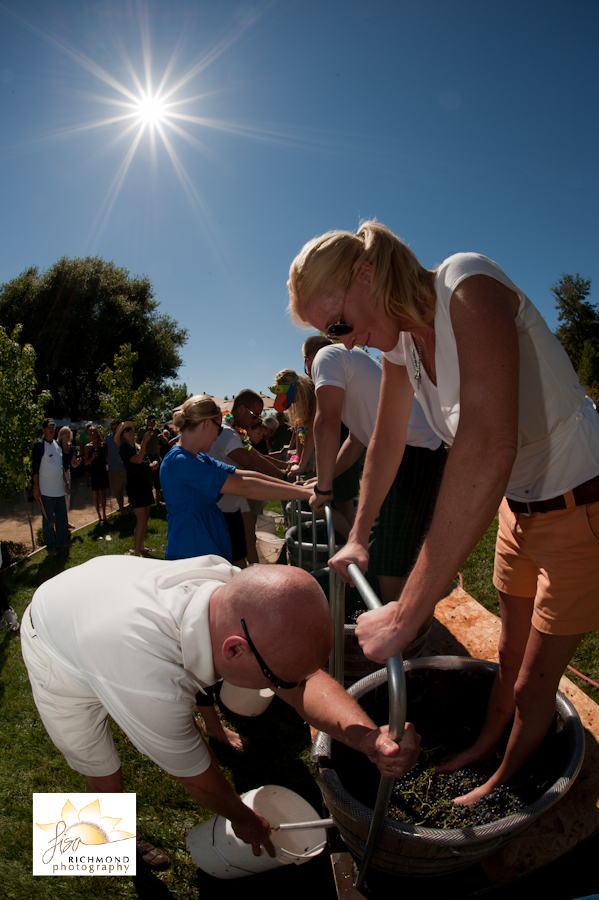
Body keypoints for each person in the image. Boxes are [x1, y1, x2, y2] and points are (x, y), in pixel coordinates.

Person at [287, 221, 599, 806]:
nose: (344, 343)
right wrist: (358, 537)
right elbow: (386, 442)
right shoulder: (405, 342)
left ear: (365, 273)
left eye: (336, 325)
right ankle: (486, 744)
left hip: (582, 510)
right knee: (506, 657)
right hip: (521, 514)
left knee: (534, 686)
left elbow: (488, 443)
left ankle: (502, 782)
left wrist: (408, 612)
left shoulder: (465, 282)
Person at [20, 557, 420, 866]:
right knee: (102, 770)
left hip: (98, 591)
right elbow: (194, 776)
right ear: (233, 649)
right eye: (278, 680)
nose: (285, 690)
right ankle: (99, 851)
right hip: (53, 638)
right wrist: (244, 819)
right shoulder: (146, 676)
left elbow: (302, 682)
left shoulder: (230, 584)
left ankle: (107, 844)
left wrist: (366, 736)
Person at [160, 395, 316, 745]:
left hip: (206, 544)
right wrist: (302, 495)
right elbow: (243, 485)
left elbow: (244, 474)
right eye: (218, 424)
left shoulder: (195, 458)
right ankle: (212, 725)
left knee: (212, 628)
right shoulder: (180, 461)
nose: (222, 431)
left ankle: (223, 689)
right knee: (196, 639)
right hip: (192, 552)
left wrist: (295, 488)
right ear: (205, 424)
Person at [303, 334, 446, 604]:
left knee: (390, 553)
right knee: (394, 545)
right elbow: (354, 441)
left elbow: (326, 422)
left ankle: (396, 628)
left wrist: (322, 490)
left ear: (308, 361)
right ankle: (402, 613)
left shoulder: (325, 356)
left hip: (411, 450)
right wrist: (324, 478)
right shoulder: (352, 365)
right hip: (416, 450)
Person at [116, 421, 158, 557]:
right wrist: (145, 442)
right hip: (136, 486)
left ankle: (141, 546)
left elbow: (144, 463)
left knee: (145, 519)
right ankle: (137, 551)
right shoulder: (124, 448)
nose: (130, 431)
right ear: (122, 435)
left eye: (130, 429)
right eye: (126, 430)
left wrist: (153, 465)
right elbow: (138, 460)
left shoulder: (137, 446)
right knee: (141, 520)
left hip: (145, 484)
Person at [31, 418, 70, 556]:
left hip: (59, 490)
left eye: (53, 427)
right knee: (48, 520)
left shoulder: (57, 445)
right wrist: (37, 488)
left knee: (61, 518)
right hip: (46, 491)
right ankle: (50, 546)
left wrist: (65, 483)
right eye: (49, 427)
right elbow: (35, 469)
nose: (52, 430)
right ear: (44, 430)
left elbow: (61, 467)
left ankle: (61, 541)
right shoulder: (40, 446)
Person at [84, 426, 109, 524]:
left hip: (102, 470)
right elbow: (86, 462)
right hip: (94, 471)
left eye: (92, 433)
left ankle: (104, 514)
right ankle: (98, 515)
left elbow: (106, 458)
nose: (90, 435)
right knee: (95, 493)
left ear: (97, 433)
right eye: (89, 433)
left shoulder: (103, 445)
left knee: (103, 493)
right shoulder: (88, 447)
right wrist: (92, 458)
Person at [57, 426, 81, 530]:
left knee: (67, 498)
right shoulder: (57, 446)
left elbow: (73, 464)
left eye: (68, 433)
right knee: (59, 498)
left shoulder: (71, 447)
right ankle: (59, 522)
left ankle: (65, 521)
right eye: (65, 433)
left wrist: (78, 462)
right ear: (61, 435)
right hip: (58, 475)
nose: (67, 435)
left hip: (67, 472)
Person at [137, 414, 162, 502]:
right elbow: (137, 443)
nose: (153, 423)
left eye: (154, 421)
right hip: (146, 457)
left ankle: (158, 500)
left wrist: (162, 437)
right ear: (147, 421)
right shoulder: (141, 431)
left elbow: (164, 442)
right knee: (148, 479)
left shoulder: (157, 431)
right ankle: (149, 499)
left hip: (155, 456)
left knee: (157, 479)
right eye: (151, 421)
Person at [105, 419, 127, 516]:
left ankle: (133, 508)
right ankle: (121, 510)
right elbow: (105, 452)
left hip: (125, 468)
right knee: (118, 492)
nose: (114, 431)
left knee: (130, 488)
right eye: (112, 429)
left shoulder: (124, 437)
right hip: (113, 469)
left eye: (116, 428)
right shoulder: (107, 439)